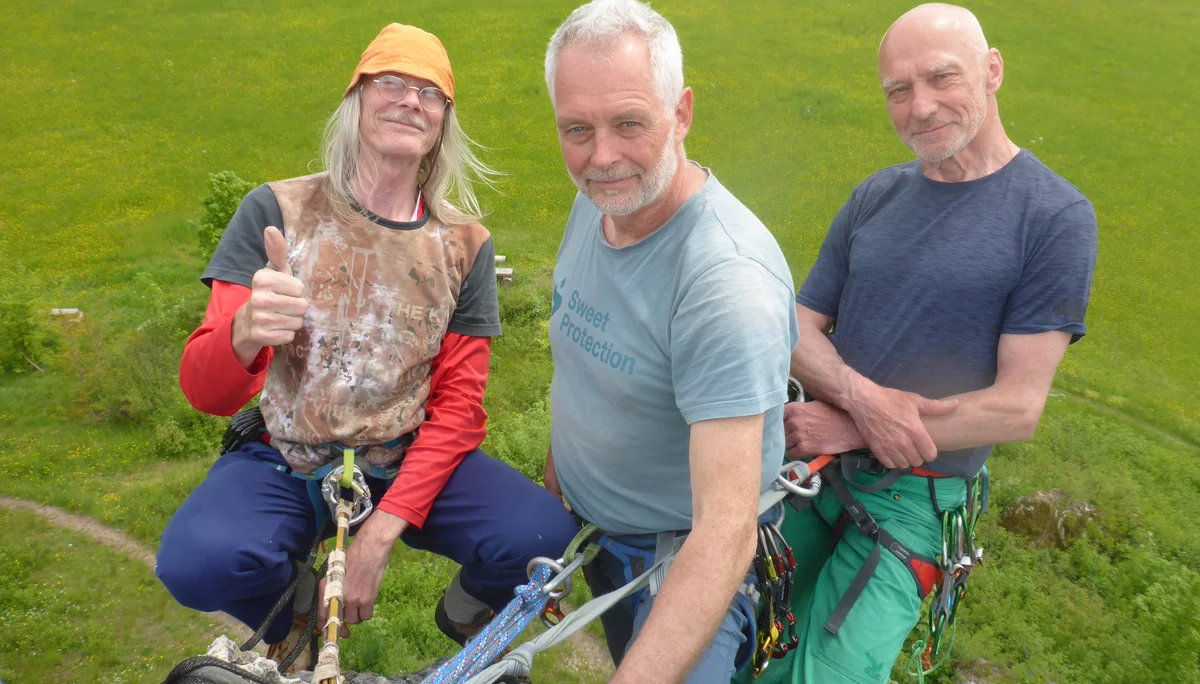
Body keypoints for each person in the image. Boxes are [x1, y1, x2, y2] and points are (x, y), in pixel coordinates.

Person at [154, 23, 578, 671]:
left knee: (540, 535)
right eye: (392, 83)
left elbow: (460, 406)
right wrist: (245, 333)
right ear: (357, 98)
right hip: (284, 456)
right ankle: (293, 610)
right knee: (195, 560)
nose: (411, 100)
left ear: (442, 123)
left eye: (430, 93)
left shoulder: (464, 245)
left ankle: (467, 612)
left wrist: (381, 532)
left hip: (402, 457)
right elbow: (205, 392)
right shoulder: (275, 212)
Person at [755, 4, 1098, 682]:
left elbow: (1015, 408)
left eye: (943, 78)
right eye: (899, 90)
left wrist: (856, 424)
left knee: (831, 674)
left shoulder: (1053, 217)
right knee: (740, 635)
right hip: (815, 463)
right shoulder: (878, 196)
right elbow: (794, 327)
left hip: (920, 495)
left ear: (992, 70)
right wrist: (858, 400)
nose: (922, 106)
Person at [541, 1, 800, 681]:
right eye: (577, 129)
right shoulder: (599, 201)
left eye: (629, 123)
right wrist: (558, 497)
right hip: (589, 526)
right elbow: (582, 364)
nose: (601, 157)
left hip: (675, 560)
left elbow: (725, 529)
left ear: (681, 113)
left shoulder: (723, 284)